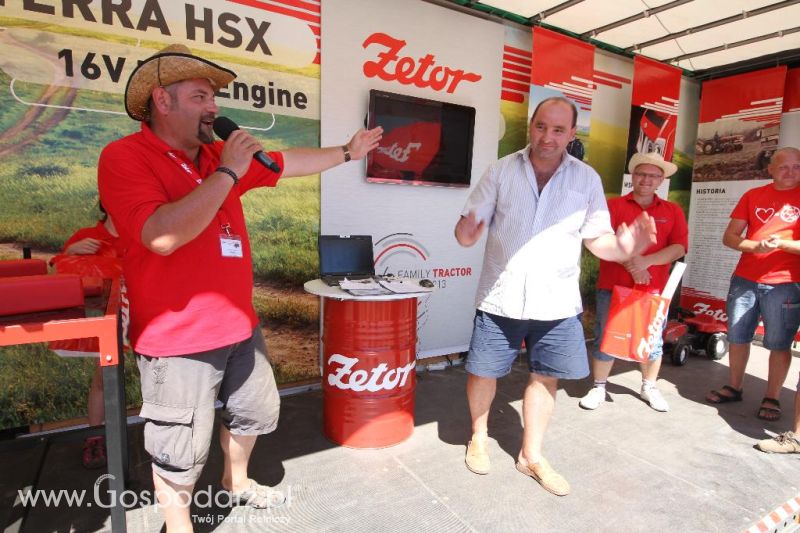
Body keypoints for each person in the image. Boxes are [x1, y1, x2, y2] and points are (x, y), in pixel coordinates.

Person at [98, 44, 382, 531]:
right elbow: (162, 236)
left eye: (214, 97)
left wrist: (346, 152)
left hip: (239, 327)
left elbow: (286, 161)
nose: (214, 108)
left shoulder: (214, 153)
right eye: (201, 96)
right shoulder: (126, 156)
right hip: (177, 341)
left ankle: (238, 482)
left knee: (256, 410)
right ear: (161, 102)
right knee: (180, 449)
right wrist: (228, 171)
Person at [454, 97, 656, 497]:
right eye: (541, 126)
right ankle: (478, 436)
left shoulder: (586, 180)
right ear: (531, 125)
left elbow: (599, 241)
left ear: (572, 134)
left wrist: (625, 245)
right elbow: (467, 228)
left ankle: (531, 455)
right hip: (501, 294)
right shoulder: (500, 170)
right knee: (484, 370)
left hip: (557, 299)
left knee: (546, 377)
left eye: (558, 130)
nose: (547, 137)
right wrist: (468, 232)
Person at [579, 152, 688, 413]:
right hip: (613, 286)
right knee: (606, 335)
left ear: (661, 179)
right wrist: (633, 264)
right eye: (641, 174)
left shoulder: (672, 210)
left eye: (653, 175)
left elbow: (678, 247)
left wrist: (645, 263)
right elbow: (601, 241)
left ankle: (649, 386)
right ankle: (599, 386)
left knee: (652, 341)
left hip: (653, 288)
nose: (647, 179)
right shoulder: (613, 206)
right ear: (633, 177)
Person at [706, 147, 800, 422]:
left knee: (779, 343)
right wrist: (755, 246)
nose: (791, 172)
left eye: (797, 167)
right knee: (737, 337)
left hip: (786, 283)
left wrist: (782, 244)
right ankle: (734, 386)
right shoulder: (753, 195)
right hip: (745, 280)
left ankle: (771, 396)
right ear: (770, 169)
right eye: (784, 167)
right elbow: (731, 237)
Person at [50, 203, 123, 469]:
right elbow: (58, 270)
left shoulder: (142, 233)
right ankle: (95, 436)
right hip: (107, 318)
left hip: (147, 315)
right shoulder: (87, 235)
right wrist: (70, 251)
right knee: (103, 379)